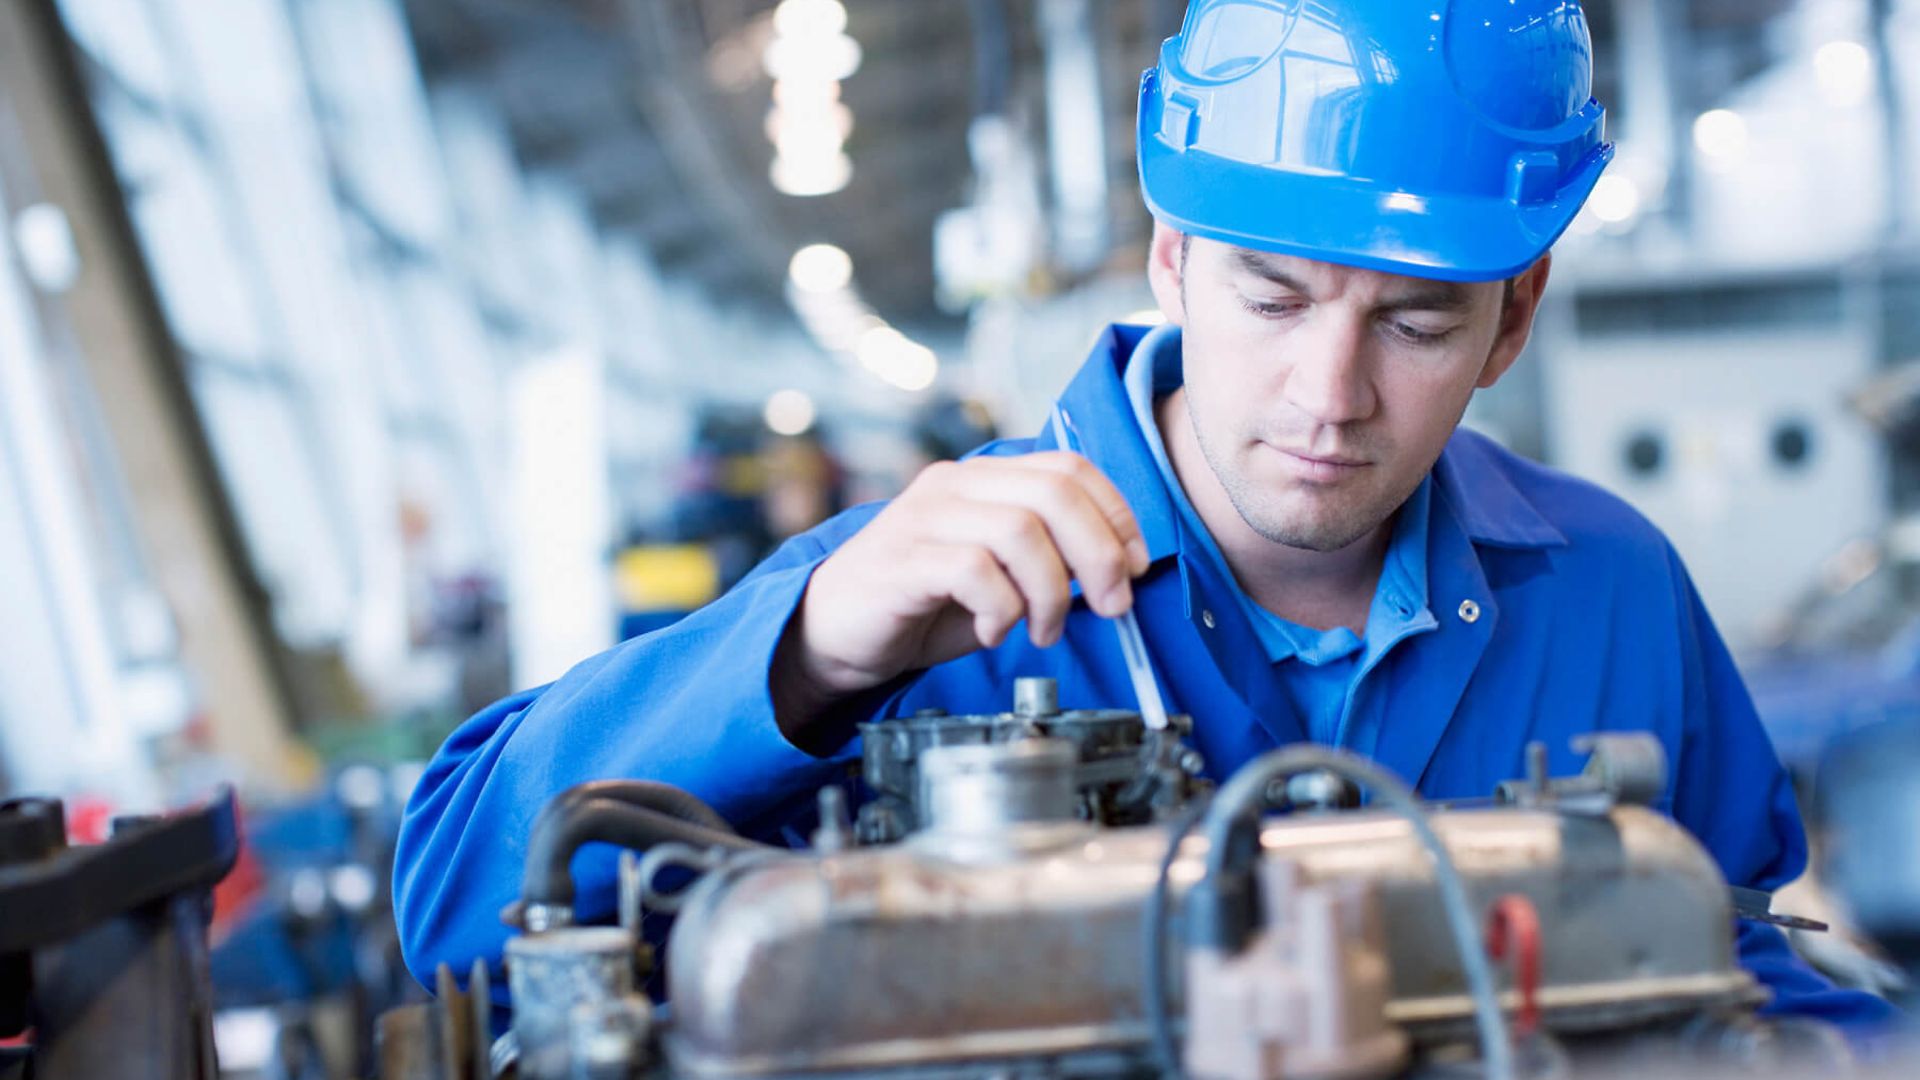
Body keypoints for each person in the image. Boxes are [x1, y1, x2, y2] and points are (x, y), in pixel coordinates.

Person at [395, 0, 1897, 1035]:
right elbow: (458, 904)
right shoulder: (925, 599)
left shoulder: (1610, 590)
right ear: (1171, 258)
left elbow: (1734, 957)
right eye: (1274, 294)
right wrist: (810, 652)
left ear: (1516, 323)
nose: (1331, 395)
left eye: (1419, 326)